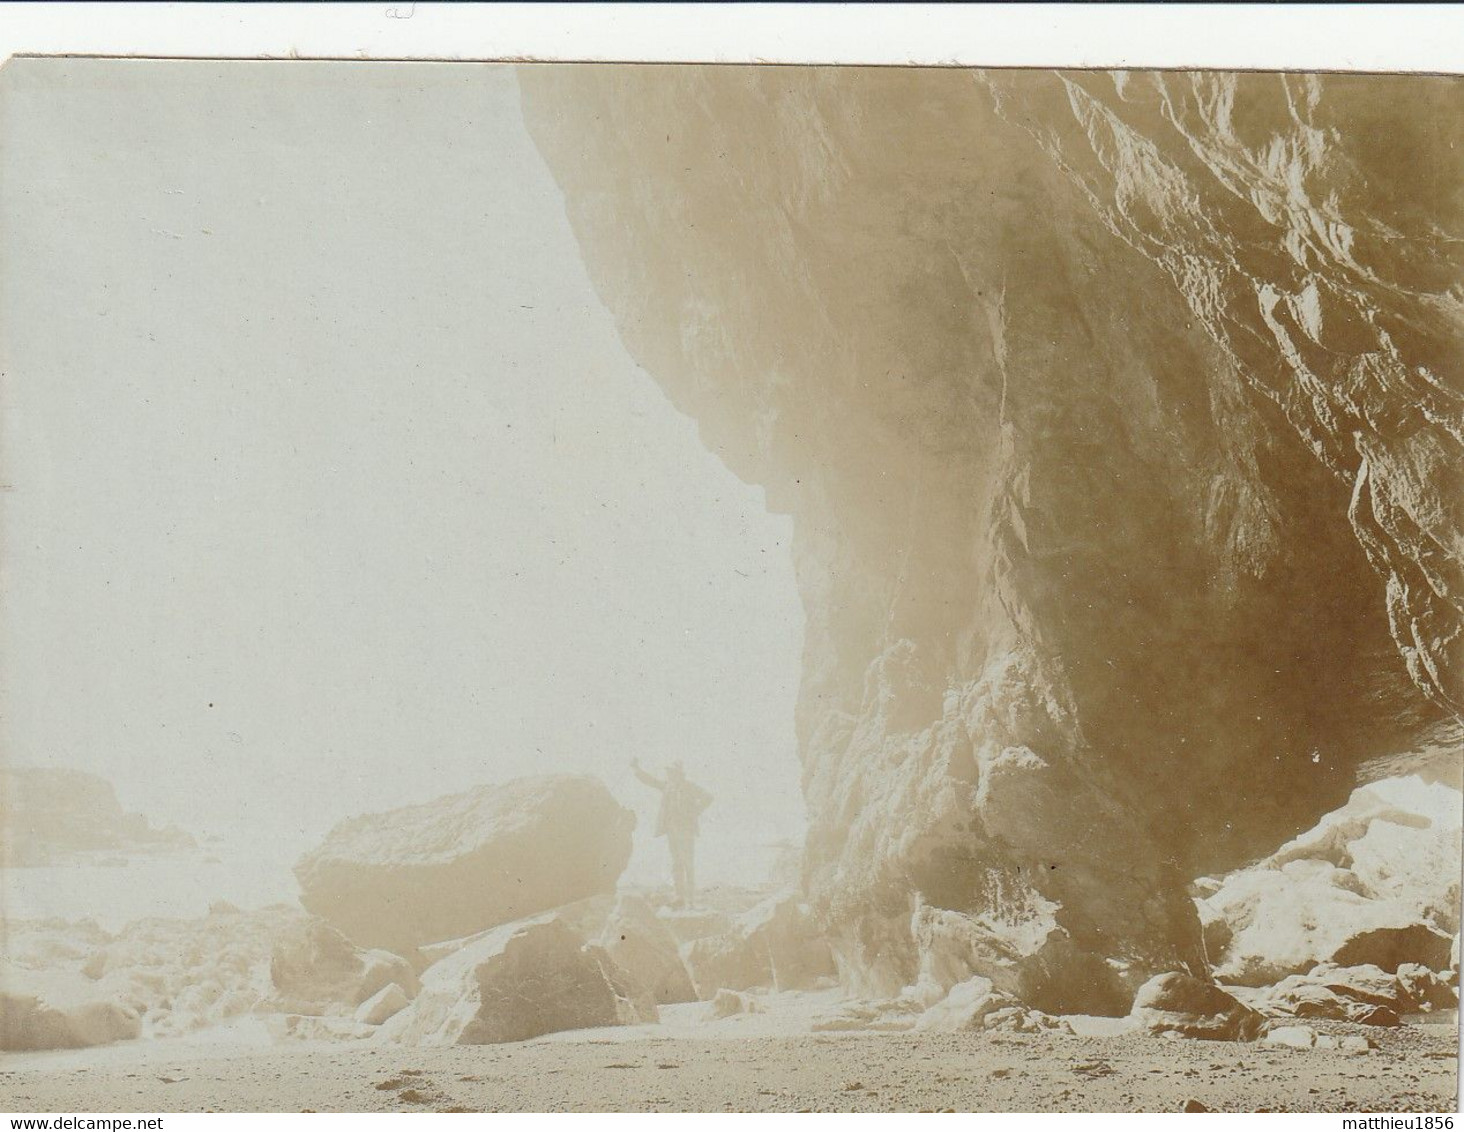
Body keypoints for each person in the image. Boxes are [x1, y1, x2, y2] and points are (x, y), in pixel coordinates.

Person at [631, 758, 712, 908]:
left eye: (671, 772)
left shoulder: (689, 787)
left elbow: (708, 797)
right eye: (668, 772)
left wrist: (694, 812)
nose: (669, 775)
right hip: (672, 831)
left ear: (679, 774)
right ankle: (679, 897)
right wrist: (637, 770)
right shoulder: (668, 786)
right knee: (676, 864)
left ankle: (690, 899)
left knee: (688, 864)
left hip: (686, 831)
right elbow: (652, 781)